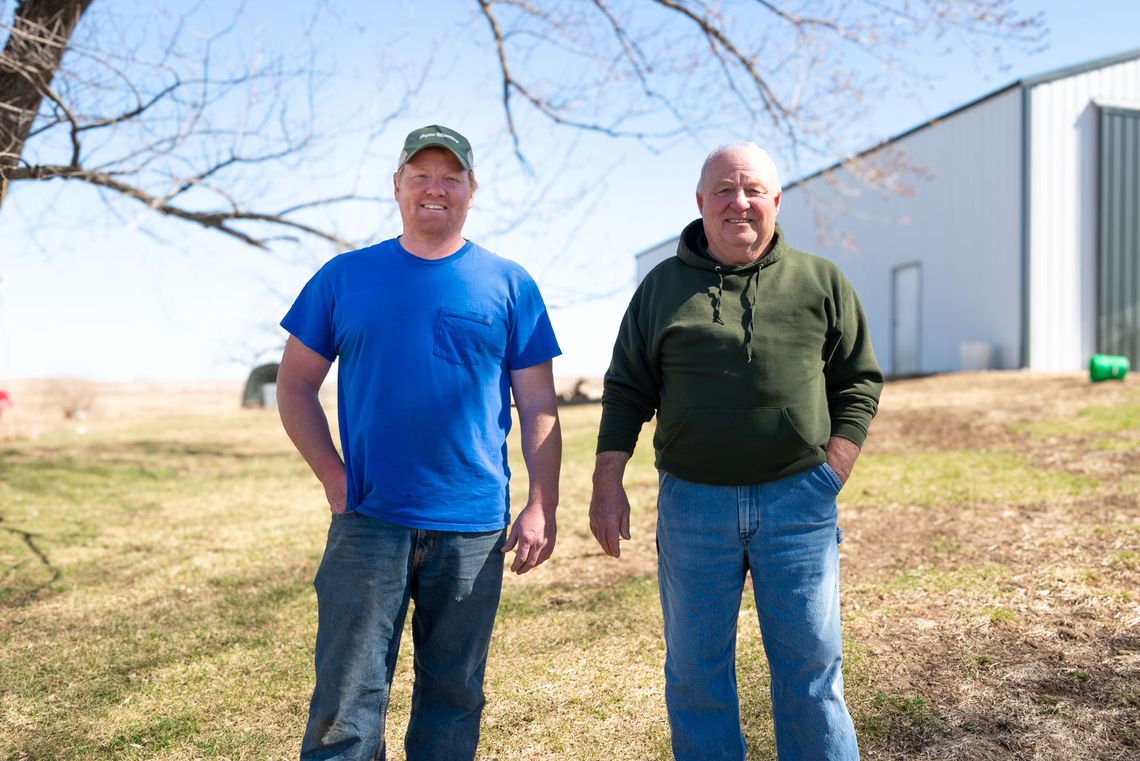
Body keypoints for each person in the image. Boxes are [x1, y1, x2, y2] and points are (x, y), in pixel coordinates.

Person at [277, 124, 562, 761]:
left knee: (454, 697)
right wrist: (331, 472)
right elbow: (295, 384)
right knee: (346, 703)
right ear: (398, 186)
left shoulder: (509, 284)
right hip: (368, 519)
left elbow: (539, 403)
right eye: (421, 175)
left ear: (470, 189)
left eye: (451, 177)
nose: (436, 188)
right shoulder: (344, 277)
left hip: (472, 527)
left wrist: (542, 503)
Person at [589, 142, 882, 761]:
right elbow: (625, 390)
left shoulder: (819, 280)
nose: (738, 202)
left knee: (811, 674)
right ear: (700, 202)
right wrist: (607, 483)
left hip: (798, 503)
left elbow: (857, 378)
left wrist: (835, 466)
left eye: (753, 190)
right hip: (693, 507)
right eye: (723, 189)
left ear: (776, 200)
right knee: (696, 677)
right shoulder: (661, 289)